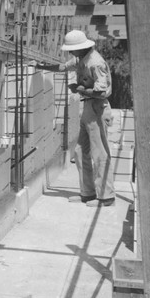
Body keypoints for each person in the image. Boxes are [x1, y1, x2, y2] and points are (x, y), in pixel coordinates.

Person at [36, 29, 115, 207]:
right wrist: (40, 66)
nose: (70, 53)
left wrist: (77, 88)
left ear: (80, 47)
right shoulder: (81, 58)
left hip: (97, 107)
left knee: (100, 153)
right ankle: (87, 193)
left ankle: (106, 196)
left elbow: (101, 91)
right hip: (88, 107)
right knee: (80, 152)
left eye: (72, 50)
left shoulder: (95, 62)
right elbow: (63, 67)